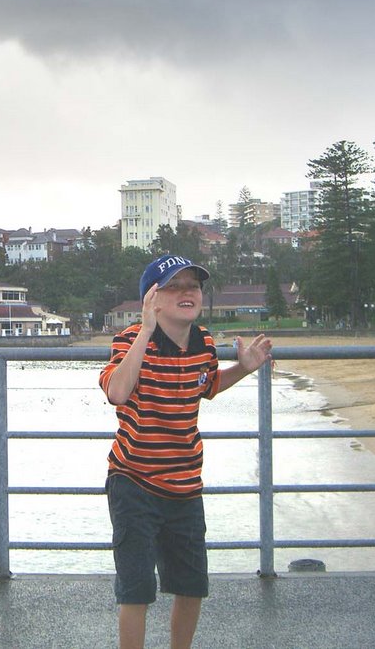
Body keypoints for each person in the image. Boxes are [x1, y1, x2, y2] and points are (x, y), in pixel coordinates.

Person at [99, 254, 273, 649]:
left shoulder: (204, 341)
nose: (186, 293)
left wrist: (243, 368)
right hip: (134, 481)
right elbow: (117, 392)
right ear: (152, 299)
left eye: (192, 286)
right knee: (136, 588)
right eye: (173, 286)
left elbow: (206, 386)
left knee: (192, 585)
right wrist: (145, 331)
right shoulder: (129, 339)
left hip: (185, 484)